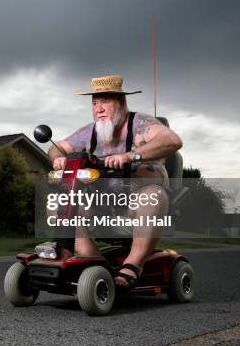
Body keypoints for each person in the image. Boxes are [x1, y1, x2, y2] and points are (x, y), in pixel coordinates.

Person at [47, 74, 183, 288]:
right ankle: (97, 265)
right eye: (94, 103)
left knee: (152, 197)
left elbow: (173, 140)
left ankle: (133, 265)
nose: (98, 108)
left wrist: (131, 155)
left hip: (136, 203)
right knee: (58, 204)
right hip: (102, 203)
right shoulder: (88, 132)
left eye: (105, 101)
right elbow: (56, 147)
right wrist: (59, 159)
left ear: (121, 102)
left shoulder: (140, 124)